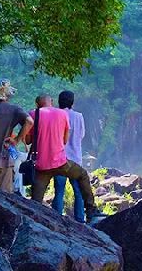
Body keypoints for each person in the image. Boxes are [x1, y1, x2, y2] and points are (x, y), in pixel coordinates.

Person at [28, 91, 102, 222]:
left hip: (43, 163)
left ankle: (48, 219)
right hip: (63, 161)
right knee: (81, 182)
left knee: (49, 195)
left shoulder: (35, 115)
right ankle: (87, 213)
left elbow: (28, 139)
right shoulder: (66, 115)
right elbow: (70, 138)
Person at [51, 91, 86, 222]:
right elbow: (81, 135)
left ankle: (56, 219)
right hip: (75, 158)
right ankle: (80, 220)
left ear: (59, 101)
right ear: (72, 102)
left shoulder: (56, 115)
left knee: (59, 191)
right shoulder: (78, 116)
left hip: (59, 159)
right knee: (78, 192)